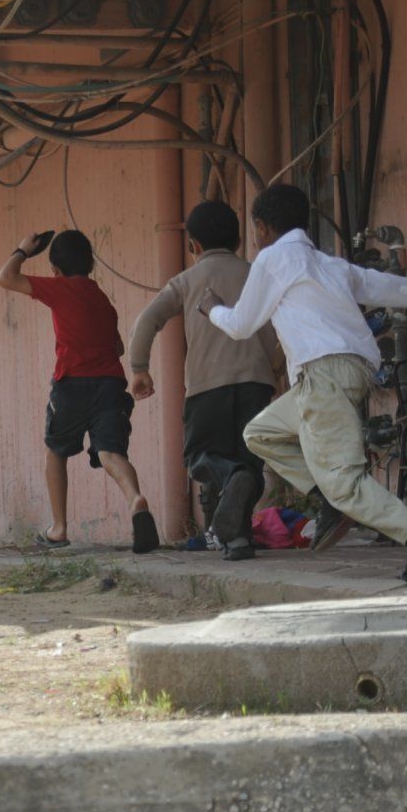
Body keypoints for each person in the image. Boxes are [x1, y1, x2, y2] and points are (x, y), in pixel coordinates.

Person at [202, 184, 407, 586]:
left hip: (322, 375)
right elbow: (392, 286)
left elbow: (241, 326)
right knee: (261, 433)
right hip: (345, 374)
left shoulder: (272, 259)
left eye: (256, 231)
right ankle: (327, 499)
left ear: (262, 227)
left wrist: (213, 309)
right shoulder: (330, 266)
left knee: (347, 482)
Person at [127, 201, 282, 561]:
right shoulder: (256, 274)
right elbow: (280, 328)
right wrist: (274, 369)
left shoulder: (186, 281)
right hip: (256, 384)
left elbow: (146, 321)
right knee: (250, 460)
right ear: (240, 240)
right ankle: (238, 539)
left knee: (201, 457)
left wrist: (139, 368)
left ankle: (232, 482)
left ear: (193, 245)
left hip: (206, 387)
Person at [0, 229, 156, 554]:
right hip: (111, 384)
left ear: (56, 269)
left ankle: (58, 528)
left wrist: (23, 249)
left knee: (56, 451)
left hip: (71, 383)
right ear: (90, 264)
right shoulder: (101, 299)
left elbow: (6, 278)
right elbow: (118, 346)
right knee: (111, 454)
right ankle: (135, 498)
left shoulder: (58, 288)